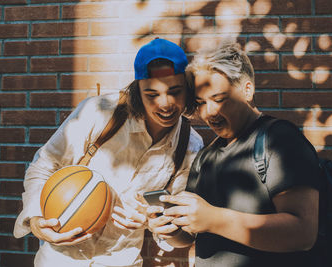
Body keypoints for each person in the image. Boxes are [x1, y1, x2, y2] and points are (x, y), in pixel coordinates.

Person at [13, 38, 204, 267]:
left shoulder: (190, 145)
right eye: (152, 94)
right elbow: (43, 166)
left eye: (175, 91)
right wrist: (35, 220)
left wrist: (151, 221)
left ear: (188, 89)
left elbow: (179, 233)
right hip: (59, 260)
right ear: (138, 90)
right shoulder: (99, 112)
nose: (165, 103)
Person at [149, 41, 321, 266]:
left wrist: (213, 219)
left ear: (247, 90)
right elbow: (192, 234)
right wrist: (170, 228)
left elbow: (303, 233)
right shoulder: (206, 156)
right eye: (201, 103)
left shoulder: (279, 139)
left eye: (219, 99)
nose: (209, 112)